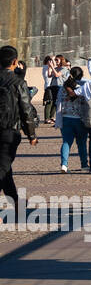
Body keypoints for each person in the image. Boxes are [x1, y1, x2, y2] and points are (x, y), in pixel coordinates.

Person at [0, 46, 38, 206]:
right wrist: (32, 135)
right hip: (8, 132)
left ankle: (16, 203)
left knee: (5, 169)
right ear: (15, 62)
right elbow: (26, 110)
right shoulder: (18, 82)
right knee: (2, 169)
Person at [56, 73, 88, 174]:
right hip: (80, 118)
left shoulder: (62, 88)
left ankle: (64, 164)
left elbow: (58, 101)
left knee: (66, 142)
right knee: (82, 143)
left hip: (66, 117)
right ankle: (84, 164)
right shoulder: (82, 87)